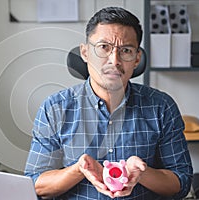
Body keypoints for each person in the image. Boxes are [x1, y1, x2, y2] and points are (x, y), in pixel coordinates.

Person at [25, 7, 193, 200]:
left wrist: (142, 173)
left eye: (126, 51)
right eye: (104, 47)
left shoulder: (161, 106)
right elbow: (35, 184)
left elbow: (181, 182)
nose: (114, 60)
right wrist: (79, 170)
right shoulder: (55, 108)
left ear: (137, 58)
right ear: (85, 52)